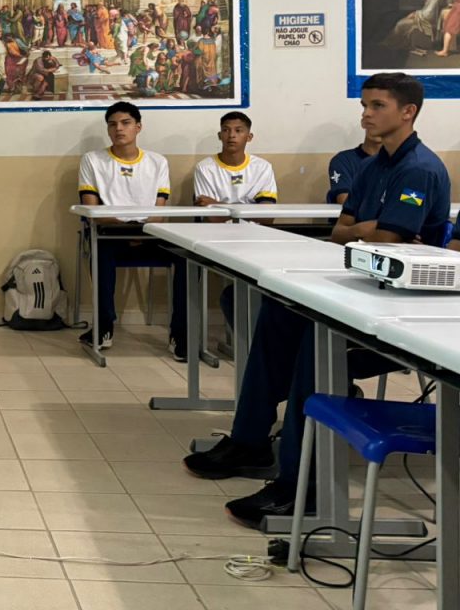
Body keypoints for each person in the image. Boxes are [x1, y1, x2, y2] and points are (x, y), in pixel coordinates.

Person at [183, 73, 451, 527]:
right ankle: (249, 442)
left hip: (398, 309)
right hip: (360, 286)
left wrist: (366, 231)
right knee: (277, 313)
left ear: (408, 112)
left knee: (316, 344)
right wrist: (368, 229)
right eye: (364, 105)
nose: (365, 114)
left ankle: (300, 484)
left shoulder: (419, 169)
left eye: (377, 106)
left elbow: (389, 238)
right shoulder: (373, 167)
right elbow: (341, 231)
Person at [77, 102, 183, 350]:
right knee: (100, 251)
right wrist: (126, 230)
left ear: (138, 127)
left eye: (125, 123)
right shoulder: (92, 160)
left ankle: (181, 334)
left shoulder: (157, 162)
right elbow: (93, 212)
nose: (118, 129)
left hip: (150, 234)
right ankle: (104, 327)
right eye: (112, 124)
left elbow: (159, 213)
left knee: (186, 257)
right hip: (109, 234)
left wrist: (140, 232)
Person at [187, 112, 278, 347]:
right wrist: (248, 209)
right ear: (220, 135)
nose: (232, 136)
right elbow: (212, 217)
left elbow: (268, 217)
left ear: (249, 136)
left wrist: (221, 205)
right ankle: (246, 339)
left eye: (238, 131)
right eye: (226, 130)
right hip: (218, 238)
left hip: (257, 238)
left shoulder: (262, 167)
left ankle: (259, 337)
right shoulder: (205, 168)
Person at [326, 131, 381, 204]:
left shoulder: (396, 163)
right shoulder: (343, 161)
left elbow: (398, 202)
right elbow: (346, 201)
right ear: (364, 124)